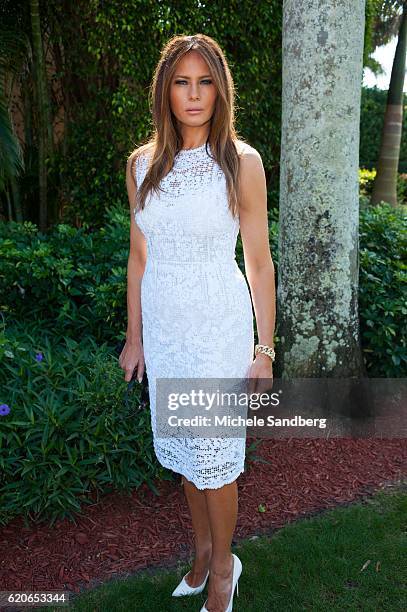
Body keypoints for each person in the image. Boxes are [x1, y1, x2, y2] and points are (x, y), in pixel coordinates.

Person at [120, 33, 276, 612]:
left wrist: (265, 348)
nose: (194, 94)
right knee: (188, 452)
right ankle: (206, 550)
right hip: (166, 328)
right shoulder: (141, 166)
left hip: (218, 325)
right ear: (166, 90)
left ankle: (222, 572)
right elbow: (139, 258)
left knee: (215, 458)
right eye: (182, 82)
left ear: (220, 90)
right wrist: (135, 337)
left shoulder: (242, 162)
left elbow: (259, 263)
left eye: (205, 82)